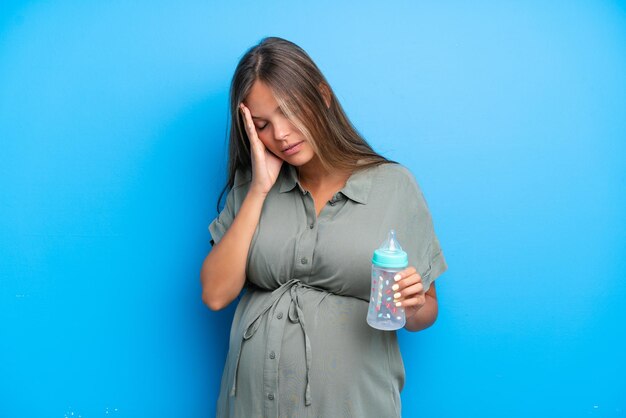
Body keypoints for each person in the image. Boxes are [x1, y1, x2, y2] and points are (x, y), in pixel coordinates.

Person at [200, 36, 447, 417]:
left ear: (322, 96)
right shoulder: (252, 186)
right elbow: (216, 294)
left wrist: (412, 307)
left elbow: (425, 311)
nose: (280, 134)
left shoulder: (392, 186)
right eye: (263, 125)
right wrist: (259, 190)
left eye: (288, 111)